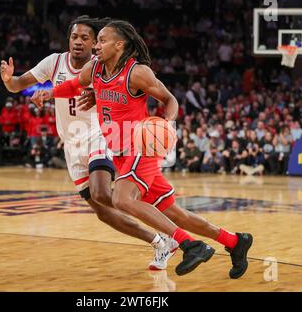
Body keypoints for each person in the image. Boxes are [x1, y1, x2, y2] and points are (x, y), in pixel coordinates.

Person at [34, 20, 253, 278]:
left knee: (121, 198)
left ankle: (190, 244)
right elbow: (75, 84)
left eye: (102, 40)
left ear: (120, 44)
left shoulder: (137, 73)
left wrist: (167, 123)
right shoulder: (94, 69)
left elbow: (169, 99)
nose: (96, 46)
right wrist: (50, 93)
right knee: (175, 213)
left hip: (141, 144)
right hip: (120, 153)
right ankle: (235, 242)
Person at [0, 16, 174, 270]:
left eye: (85, 38)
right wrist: (8, 80)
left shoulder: (102, 65)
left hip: (98, 133)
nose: (78, 42)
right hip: (71, 144)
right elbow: (18, 85)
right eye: (74, 36)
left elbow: (125, 89)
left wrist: (98, 95)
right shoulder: (54, 62)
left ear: (95, 43)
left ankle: (155, 214)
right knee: (103, 211)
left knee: (103, 192)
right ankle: (159, 240)